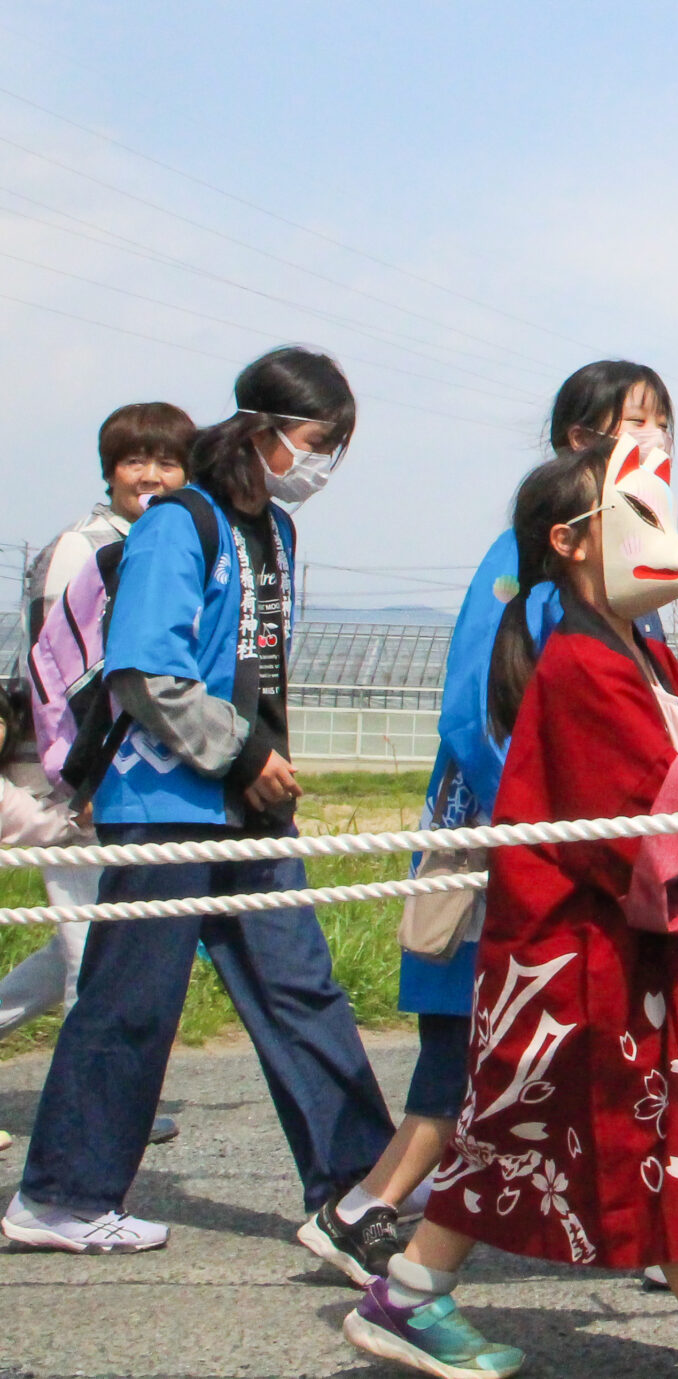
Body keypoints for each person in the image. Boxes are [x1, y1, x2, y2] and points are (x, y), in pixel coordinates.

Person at [343, 438, 678, 1379]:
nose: (673, 541)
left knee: (528, 1136)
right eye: (641, 516)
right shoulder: (581, 665)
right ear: (571, 541)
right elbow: (652, 810)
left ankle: (410, 1293)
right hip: (573, 955)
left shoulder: (641, 654)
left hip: (606, 947)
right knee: (633, 1126)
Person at [299, 362, 678, 1295]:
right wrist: (549, 825)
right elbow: (503, 728)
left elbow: (658, 775)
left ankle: (423, 1273)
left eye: (663, 425)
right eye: (634, 423)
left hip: (601, 877)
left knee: (537, 1088)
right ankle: (382, 1230)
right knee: (502, 1078)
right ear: (580, 444)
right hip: (548, 879)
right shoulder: (550, 595)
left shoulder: (624, 621)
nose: (654, 441)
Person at [1, 348, 396, 1254]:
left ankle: (361, 1187)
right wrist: (244, 752)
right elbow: (146, 668)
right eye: (318, 441)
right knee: (130, 999)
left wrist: (264, 764)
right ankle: (59, 1197)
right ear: (262, 428)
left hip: (248, 806)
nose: (324, 463)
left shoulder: (276, 531)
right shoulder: (181, 523)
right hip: (166, 798)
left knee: (302, 989)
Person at [0, 404, 196, 1146]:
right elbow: (59, 679)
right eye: (133, 460)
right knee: (93, 949)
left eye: (167, 462)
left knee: (74, 947)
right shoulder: (81, 549)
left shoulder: (152, 542)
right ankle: (99, 1118)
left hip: (117, 776)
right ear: (109, 471)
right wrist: (84, 779)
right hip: (74, 779)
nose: (150, 475)